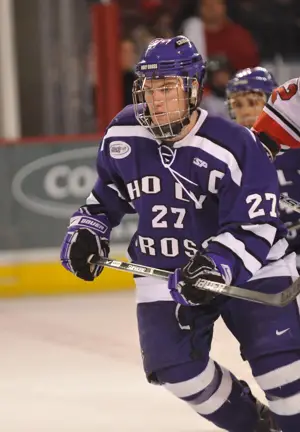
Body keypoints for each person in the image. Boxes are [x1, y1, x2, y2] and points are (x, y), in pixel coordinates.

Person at [60, 36, 300, 431]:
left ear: (193, 89)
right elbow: (105, 197)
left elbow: (255, 225)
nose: (157, 100)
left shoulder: (235, 145)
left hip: (254, 268)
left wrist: (218, 265)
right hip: (166, 268)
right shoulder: (123, 134)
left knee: (282, 373)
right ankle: (255, 425)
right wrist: (88, 228)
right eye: (150, 89)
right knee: (173, 367)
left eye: (168, 88)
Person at [227, 69, 300, 271]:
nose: (245, 111)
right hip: (263, 261)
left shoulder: (296, 147)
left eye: (253, 102)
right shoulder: (229, 157)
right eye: (237, 104)